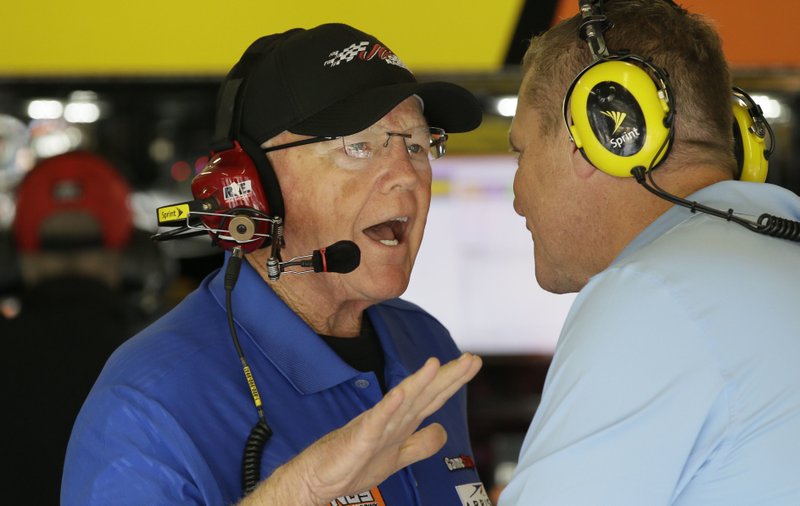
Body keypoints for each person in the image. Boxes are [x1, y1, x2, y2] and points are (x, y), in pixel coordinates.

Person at [209, 1, 800, 505]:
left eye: (520, 152)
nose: (517, 197)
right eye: (360, 149)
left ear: (601, 136)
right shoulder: (771, 260)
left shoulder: (656, 295)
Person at [61, 23, 487, 505]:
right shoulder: (148, 404)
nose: (407, 176)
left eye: (416, 144)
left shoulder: (425, 346)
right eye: (358, 146)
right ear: (252, 188)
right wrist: (298, 491)